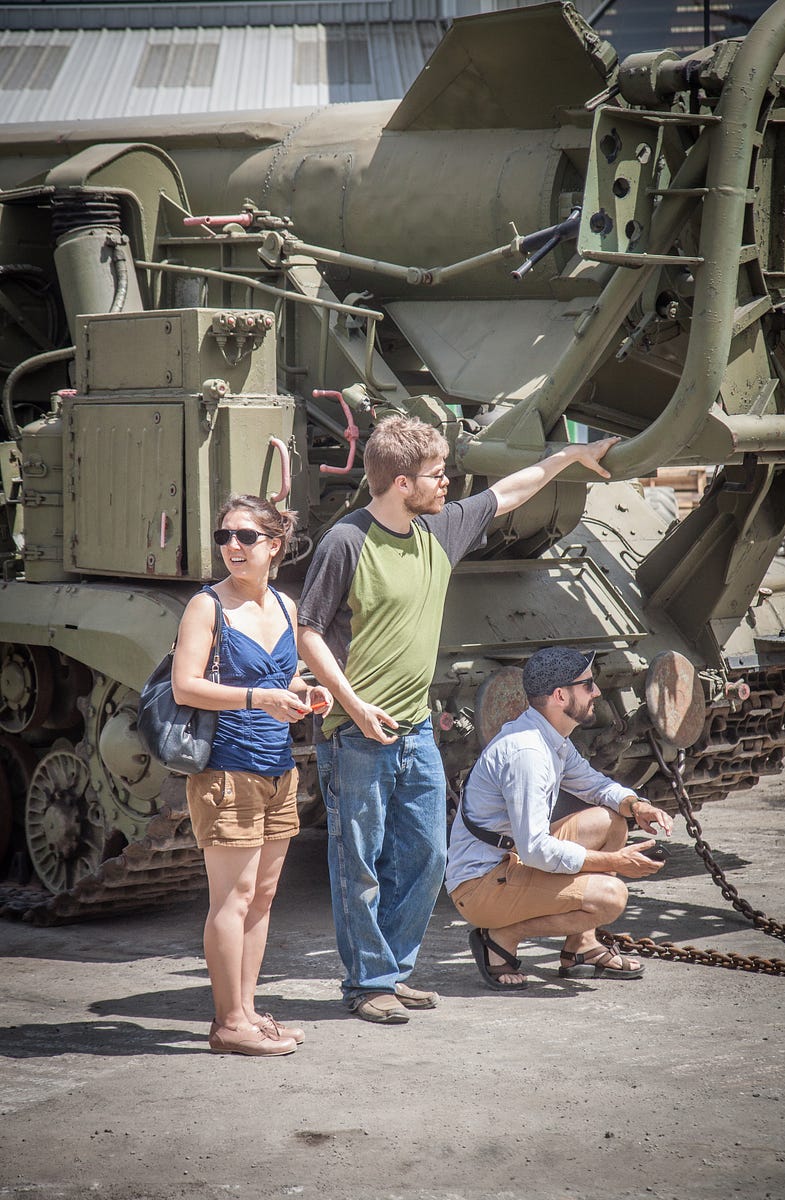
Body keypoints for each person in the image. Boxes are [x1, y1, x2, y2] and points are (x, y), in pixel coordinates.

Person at [297, 415, 620, 1023]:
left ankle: (393, 973)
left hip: (414, 728)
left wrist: (571, 457)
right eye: (436, 474)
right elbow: (308, 632)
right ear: (400, 483)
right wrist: (353, 706)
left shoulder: (438, 529)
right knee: (359, 864)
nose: (446, 483)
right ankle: (368, 983)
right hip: (356, 734)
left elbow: (508, 492)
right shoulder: (346, 541)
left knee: (425, 857)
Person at [172, 494, 332, 1056]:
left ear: (274, 545)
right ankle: (228, 1023)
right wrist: (256, 698)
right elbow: (185, 686)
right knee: (232, 899)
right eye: (224, 537)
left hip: (277, 769)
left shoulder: (285, 606)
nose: (232, 546)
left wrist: (305, 692)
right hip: (227, 769)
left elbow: (282, 679)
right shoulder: (207, 606)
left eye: (245, 536)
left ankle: (247, 1010)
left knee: (262, 897)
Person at [445, 645, 674, 989]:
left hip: (512, 858)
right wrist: (614, 862)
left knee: (611, 820)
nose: (597, 692)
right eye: (588, 685)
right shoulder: (528, 754)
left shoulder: (550, 738)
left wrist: (635, 805)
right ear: (560, 696)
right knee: (611, 897)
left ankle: (582, 946)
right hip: (480, 885)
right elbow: (536, 849)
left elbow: (595, 785)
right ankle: (501, 936)